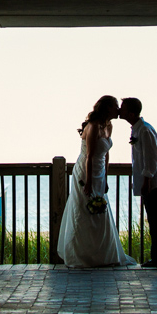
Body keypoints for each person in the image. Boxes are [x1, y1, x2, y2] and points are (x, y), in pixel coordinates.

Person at [57, 95, 136, 267]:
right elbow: (90, 156)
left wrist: (104, 177)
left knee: (100, 213)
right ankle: (82, 255)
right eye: (116, 106)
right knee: (84, 211)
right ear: (107, 108)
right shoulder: (92, 127)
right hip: (86, 172)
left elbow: (106, 154)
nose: (118, 109)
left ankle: (100, 255)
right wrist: (89, 182)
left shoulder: (109, 126)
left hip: (99, 173)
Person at [119, 97, 157, 267]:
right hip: (151, 183)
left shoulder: (145, 131)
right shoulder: (139, 129)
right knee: (154, 221)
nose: (120, 111)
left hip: (155, 184)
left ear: (132, 113)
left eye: (123, 108)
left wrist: (147, 181)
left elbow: (151, 158)